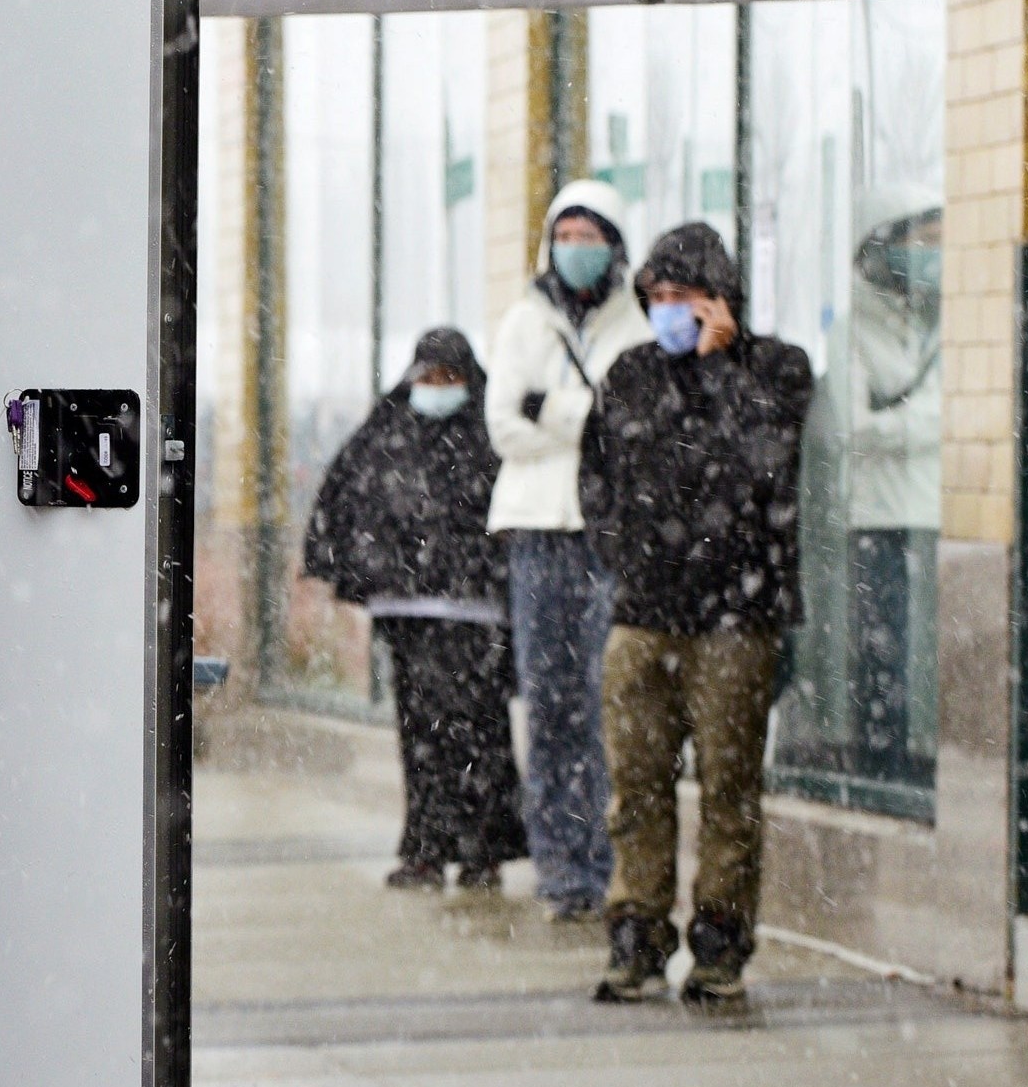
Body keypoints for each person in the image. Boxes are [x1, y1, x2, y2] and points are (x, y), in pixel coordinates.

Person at [579, 221, 814, 1004]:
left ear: (721, 300)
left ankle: (717, 946)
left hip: (735, 622)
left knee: (727, 792)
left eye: (683, 297)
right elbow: (599, 476)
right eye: (657, 297)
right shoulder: (631, 374)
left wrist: (718, 372)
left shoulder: (775, 370)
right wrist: (625, 554)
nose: (667, 311)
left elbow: (764, 464)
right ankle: (635, 936)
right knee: (636, 788)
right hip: (643, 616)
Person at [304, 328, 525, 892]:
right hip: (411, 615)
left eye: (448, 378)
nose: (436, 389)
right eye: (427, 378)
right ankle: (427, 850)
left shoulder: (487, 435)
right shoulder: (389, 431)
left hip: (478, 616)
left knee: (480, 733)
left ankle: (482, 852)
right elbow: (346, 493)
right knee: (423, 731)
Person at [484, 180, 651, 917]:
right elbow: (503, 424)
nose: (575, 249)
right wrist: (590, 415)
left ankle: (605, 859)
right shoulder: (523, 322)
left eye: (590, 235)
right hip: (535, 534)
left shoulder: (637, 324)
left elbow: (633, 423)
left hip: (606, 534)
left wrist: (551, 408)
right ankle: (560, 867)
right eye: (565, 234)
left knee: (601, 705)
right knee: (549, 708)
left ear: (615, 244)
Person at [842, 187, 945, 788]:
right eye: (922, 240)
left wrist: (895, 421)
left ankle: (913, 764)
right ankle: (877, 766)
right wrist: (926, 423)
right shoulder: (857, 322)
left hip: (933, 510)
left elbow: (963, 416)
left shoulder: (951, 319)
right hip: (875, 517)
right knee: (881, 658)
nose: (934, 254)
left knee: (930, 655)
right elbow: (850, 427)